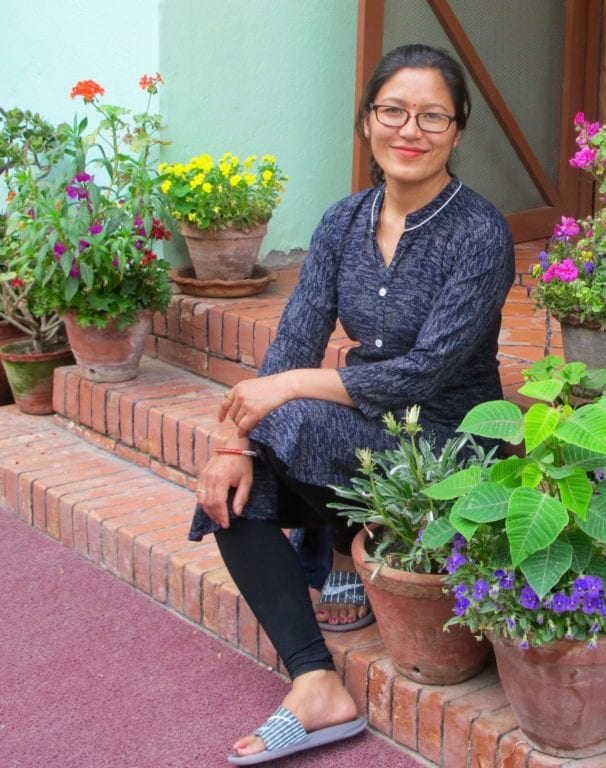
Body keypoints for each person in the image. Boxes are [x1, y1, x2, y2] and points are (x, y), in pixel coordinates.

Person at [189, 43, 514, 765]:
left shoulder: (481, 232)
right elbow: (294, 341)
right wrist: (230, 442)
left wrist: (286, 391)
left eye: (433, 115)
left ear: (458, 131)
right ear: (367, 123)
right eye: (393, 110)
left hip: (451, 445)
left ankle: (337, 548)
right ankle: (314, 678)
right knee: (231, 472)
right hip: (364, 426)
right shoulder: (343, 223)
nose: (411, 130)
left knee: (284, 416)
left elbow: (423, 375)